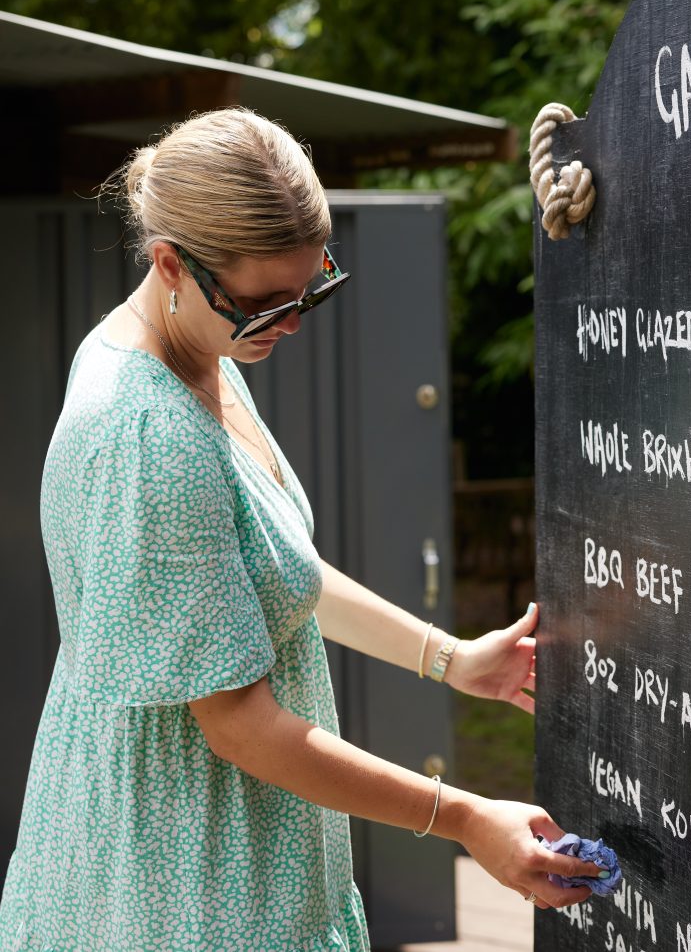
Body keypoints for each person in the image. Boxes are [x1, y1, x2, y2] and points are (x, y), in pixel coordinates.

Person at [0, 108, 597, 951]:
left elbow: (282, 569)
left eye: (313, 289)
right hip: (183, 871)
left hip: (239, 849)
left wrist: (452, 659)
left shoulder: (201, 349)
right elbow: (239, 723)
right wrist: (463, 817)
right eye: (263, 304)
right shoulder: (148, 430)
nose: (290, 323)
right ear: (171, 262)